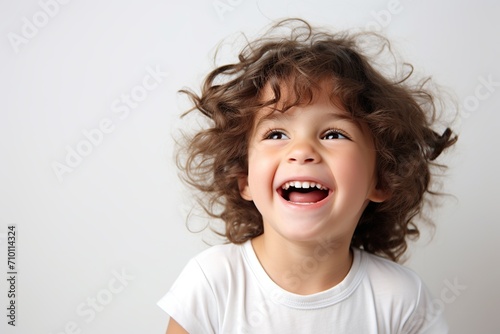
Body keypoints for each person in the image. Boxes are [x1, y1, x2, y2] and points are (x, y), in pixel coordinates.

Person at [158, 18, 457, 333]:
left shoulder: (401, 299)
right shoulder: (212, 283)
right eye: (276, 134)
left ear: (381, 179)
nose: (301, 150)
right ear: (245, 177)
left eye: (333, 134)